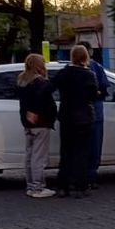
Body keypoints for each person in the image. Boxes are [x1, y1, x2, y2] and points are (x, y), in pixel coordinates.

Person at [52, 44, 100, 198]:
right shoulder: (89, 75)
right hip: (84, 117)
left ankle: (62, 186)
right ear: (86, 57)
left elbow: (49, 88)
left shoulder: (63, 73)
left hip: (66, 116)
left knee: (66, 152)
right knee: (82, 152)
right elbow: (93, 95)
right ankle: (81, 186)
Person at [17, 54, 58, 198]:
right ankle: (37, 187)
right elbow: (45, 97)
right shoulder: (40, 82)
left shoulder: (22, 80)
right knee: (38, 157)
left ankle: (30, 185)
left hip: (28, 124)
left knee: (29, 155)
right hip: (40, 123)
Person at [82, 42, 109, 190]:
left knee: (80, 147)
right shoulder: (96, 68)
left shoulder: (69, 69)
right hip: (94, 114)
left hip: (76, 115)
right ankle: (91, 177)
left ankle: (81, 177)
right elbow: (104, 90)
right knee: (94, 146)